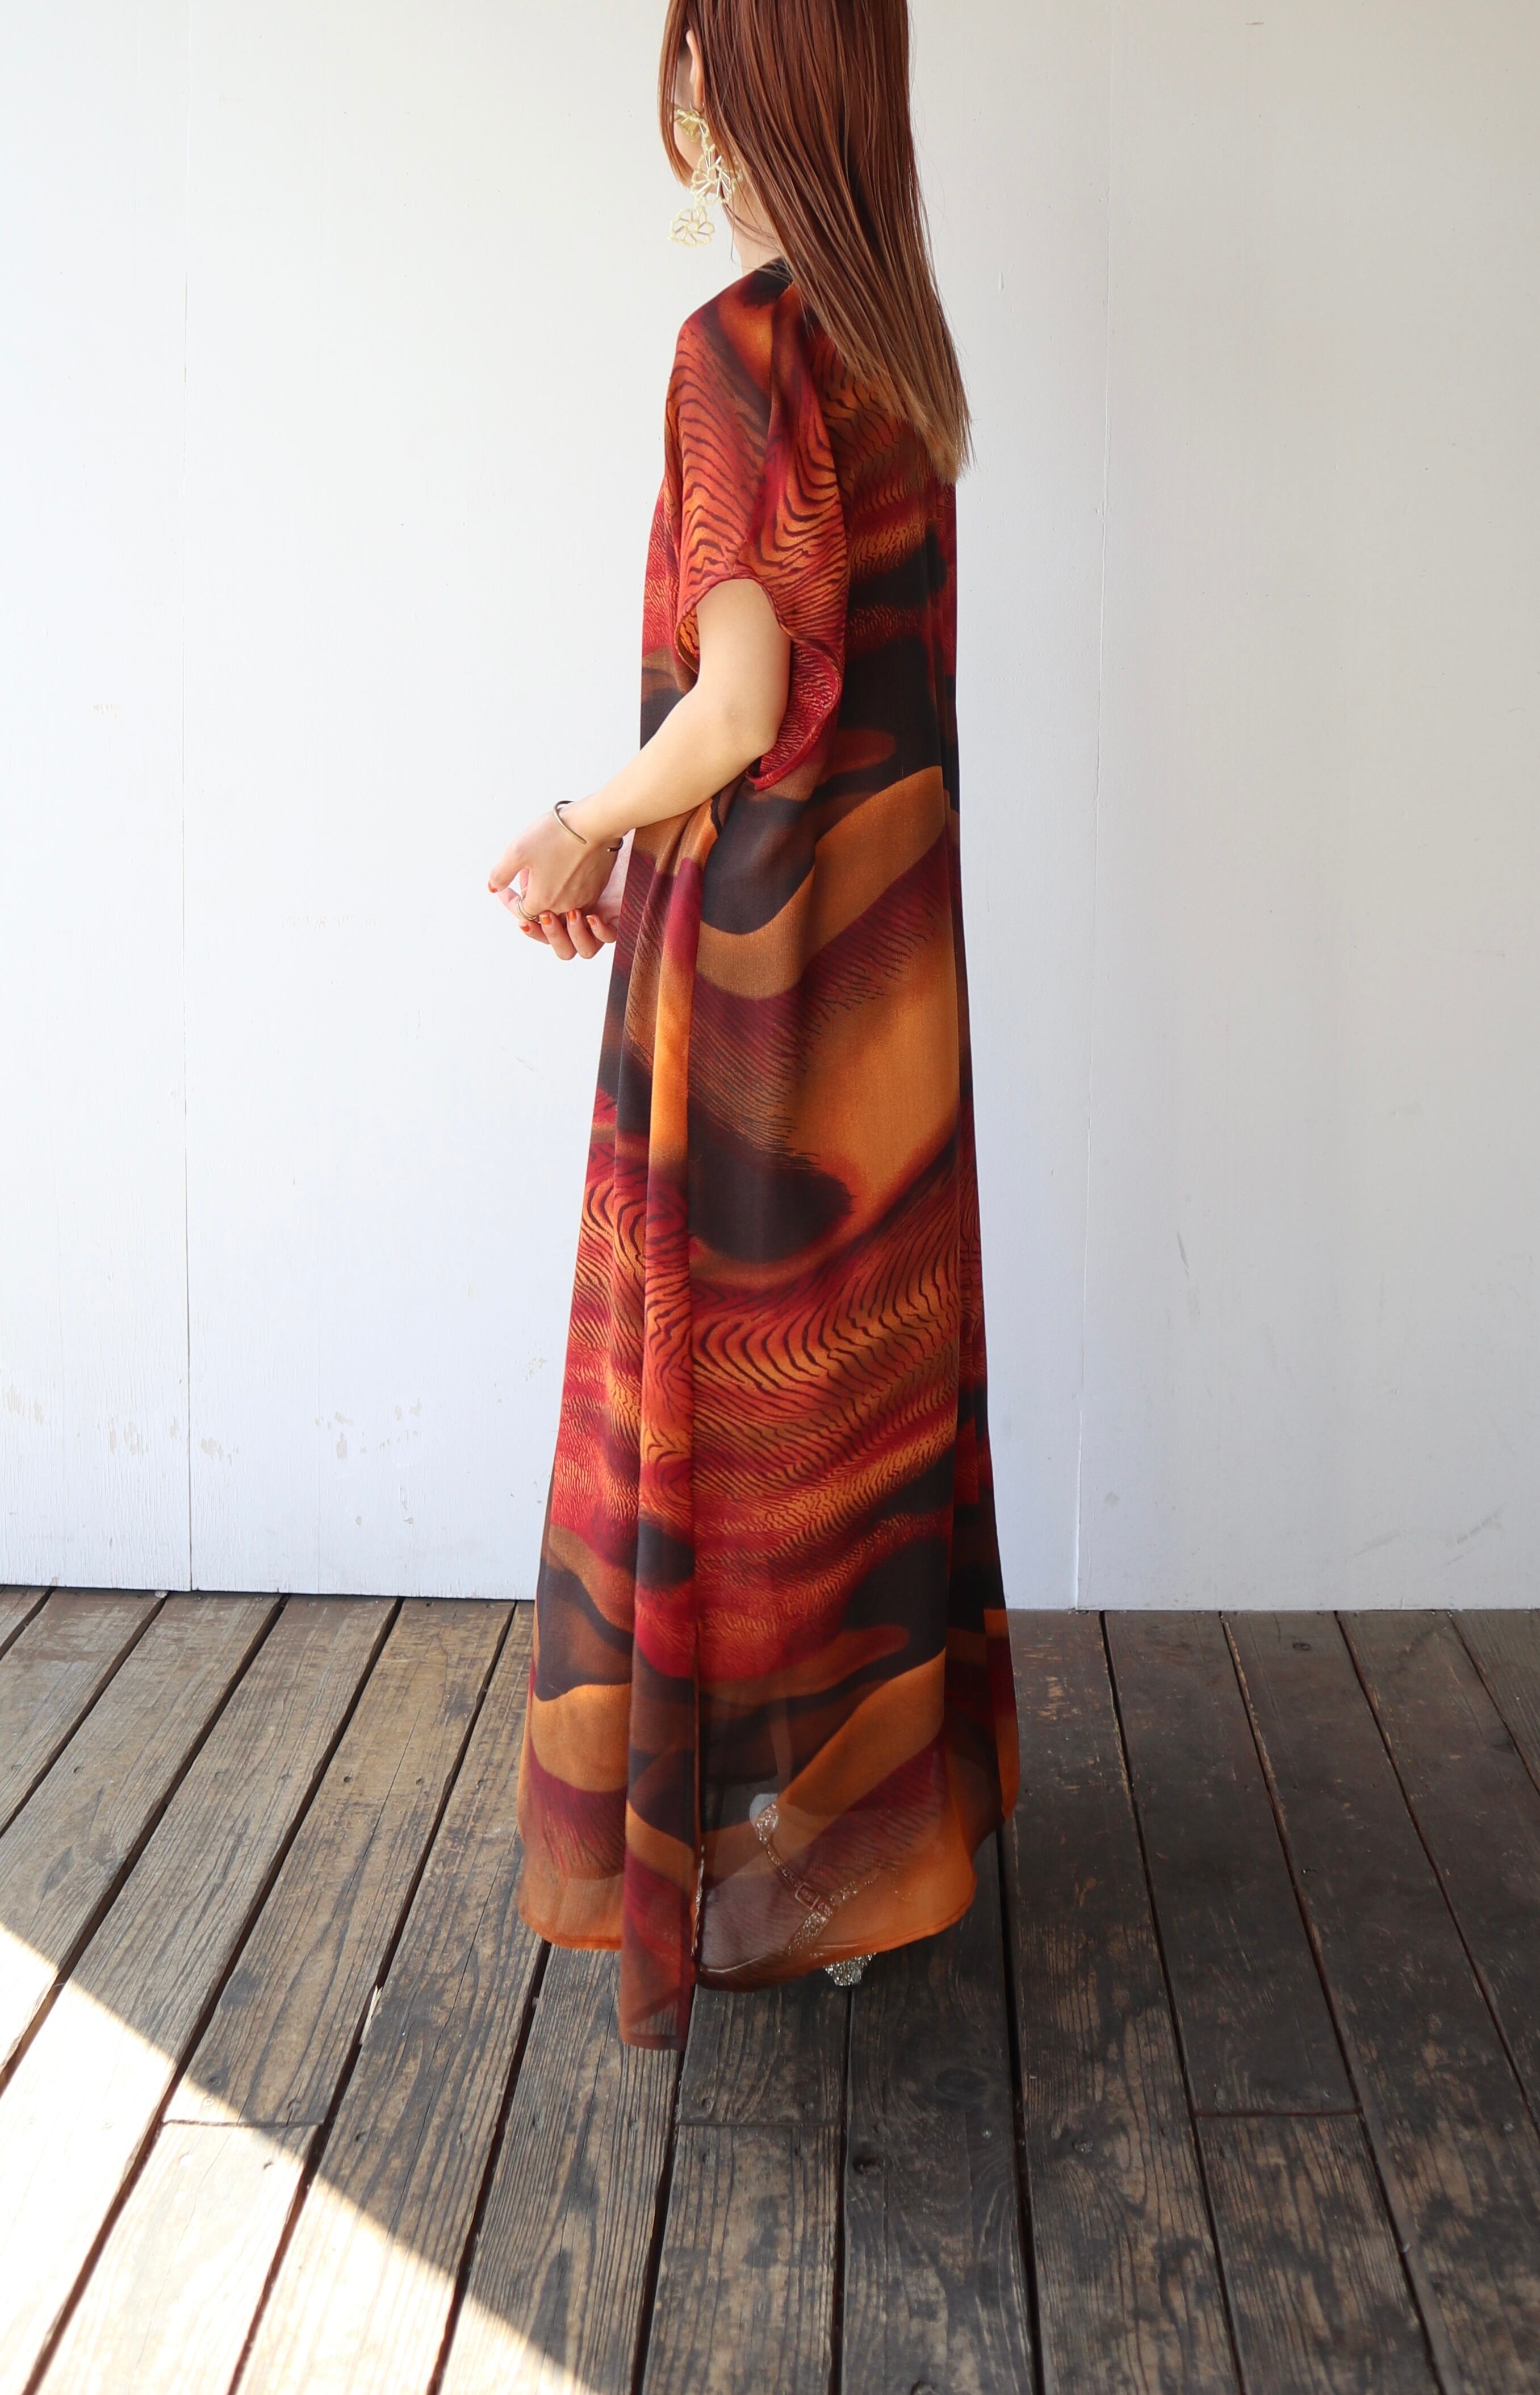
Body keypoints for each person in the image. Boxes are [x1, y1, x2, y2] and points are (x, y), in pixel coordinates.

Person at [488, 0, 1018, 2050]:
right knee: (861, 1414)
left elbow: (733, 708)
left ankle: (751, 1878)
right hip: (894, 1014)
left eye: (712, 47)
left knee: (731, 1422)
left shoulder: (739, 350)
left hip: (759, 996)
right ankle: (862, 1863)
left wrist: (575, 825)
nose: (686, 85)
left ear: (769, 86)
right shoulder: (900, 352)